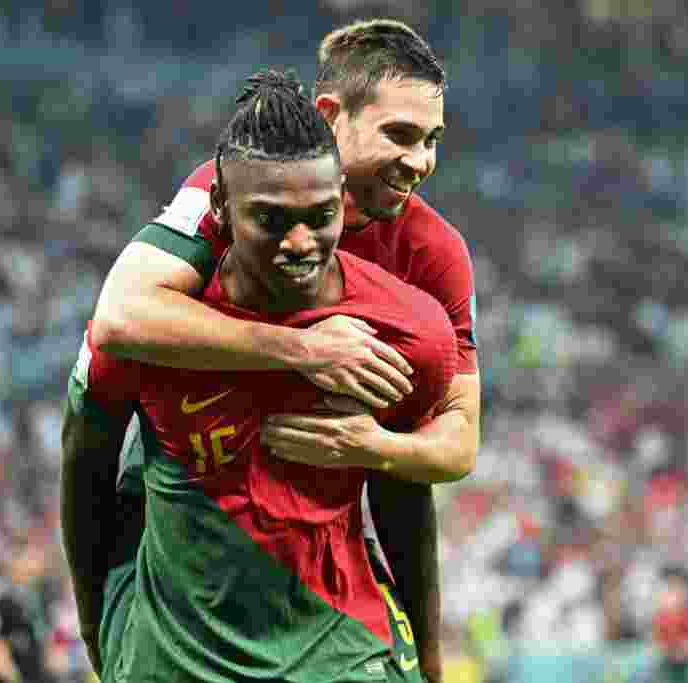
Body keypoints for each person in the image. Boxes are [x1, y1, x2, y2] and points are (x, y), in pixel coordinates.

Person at [89, 20, 480, 682]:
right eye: (401, 135)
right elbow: (120, 315)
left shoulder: (433, 256)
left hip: (321, 543)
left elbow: (458, 439)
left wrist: (369, 445)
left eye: (432, 139)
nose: (421, 161)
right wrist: (302, 349)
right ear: (330, 115)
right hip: (189, 509)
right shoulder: (238, 189)